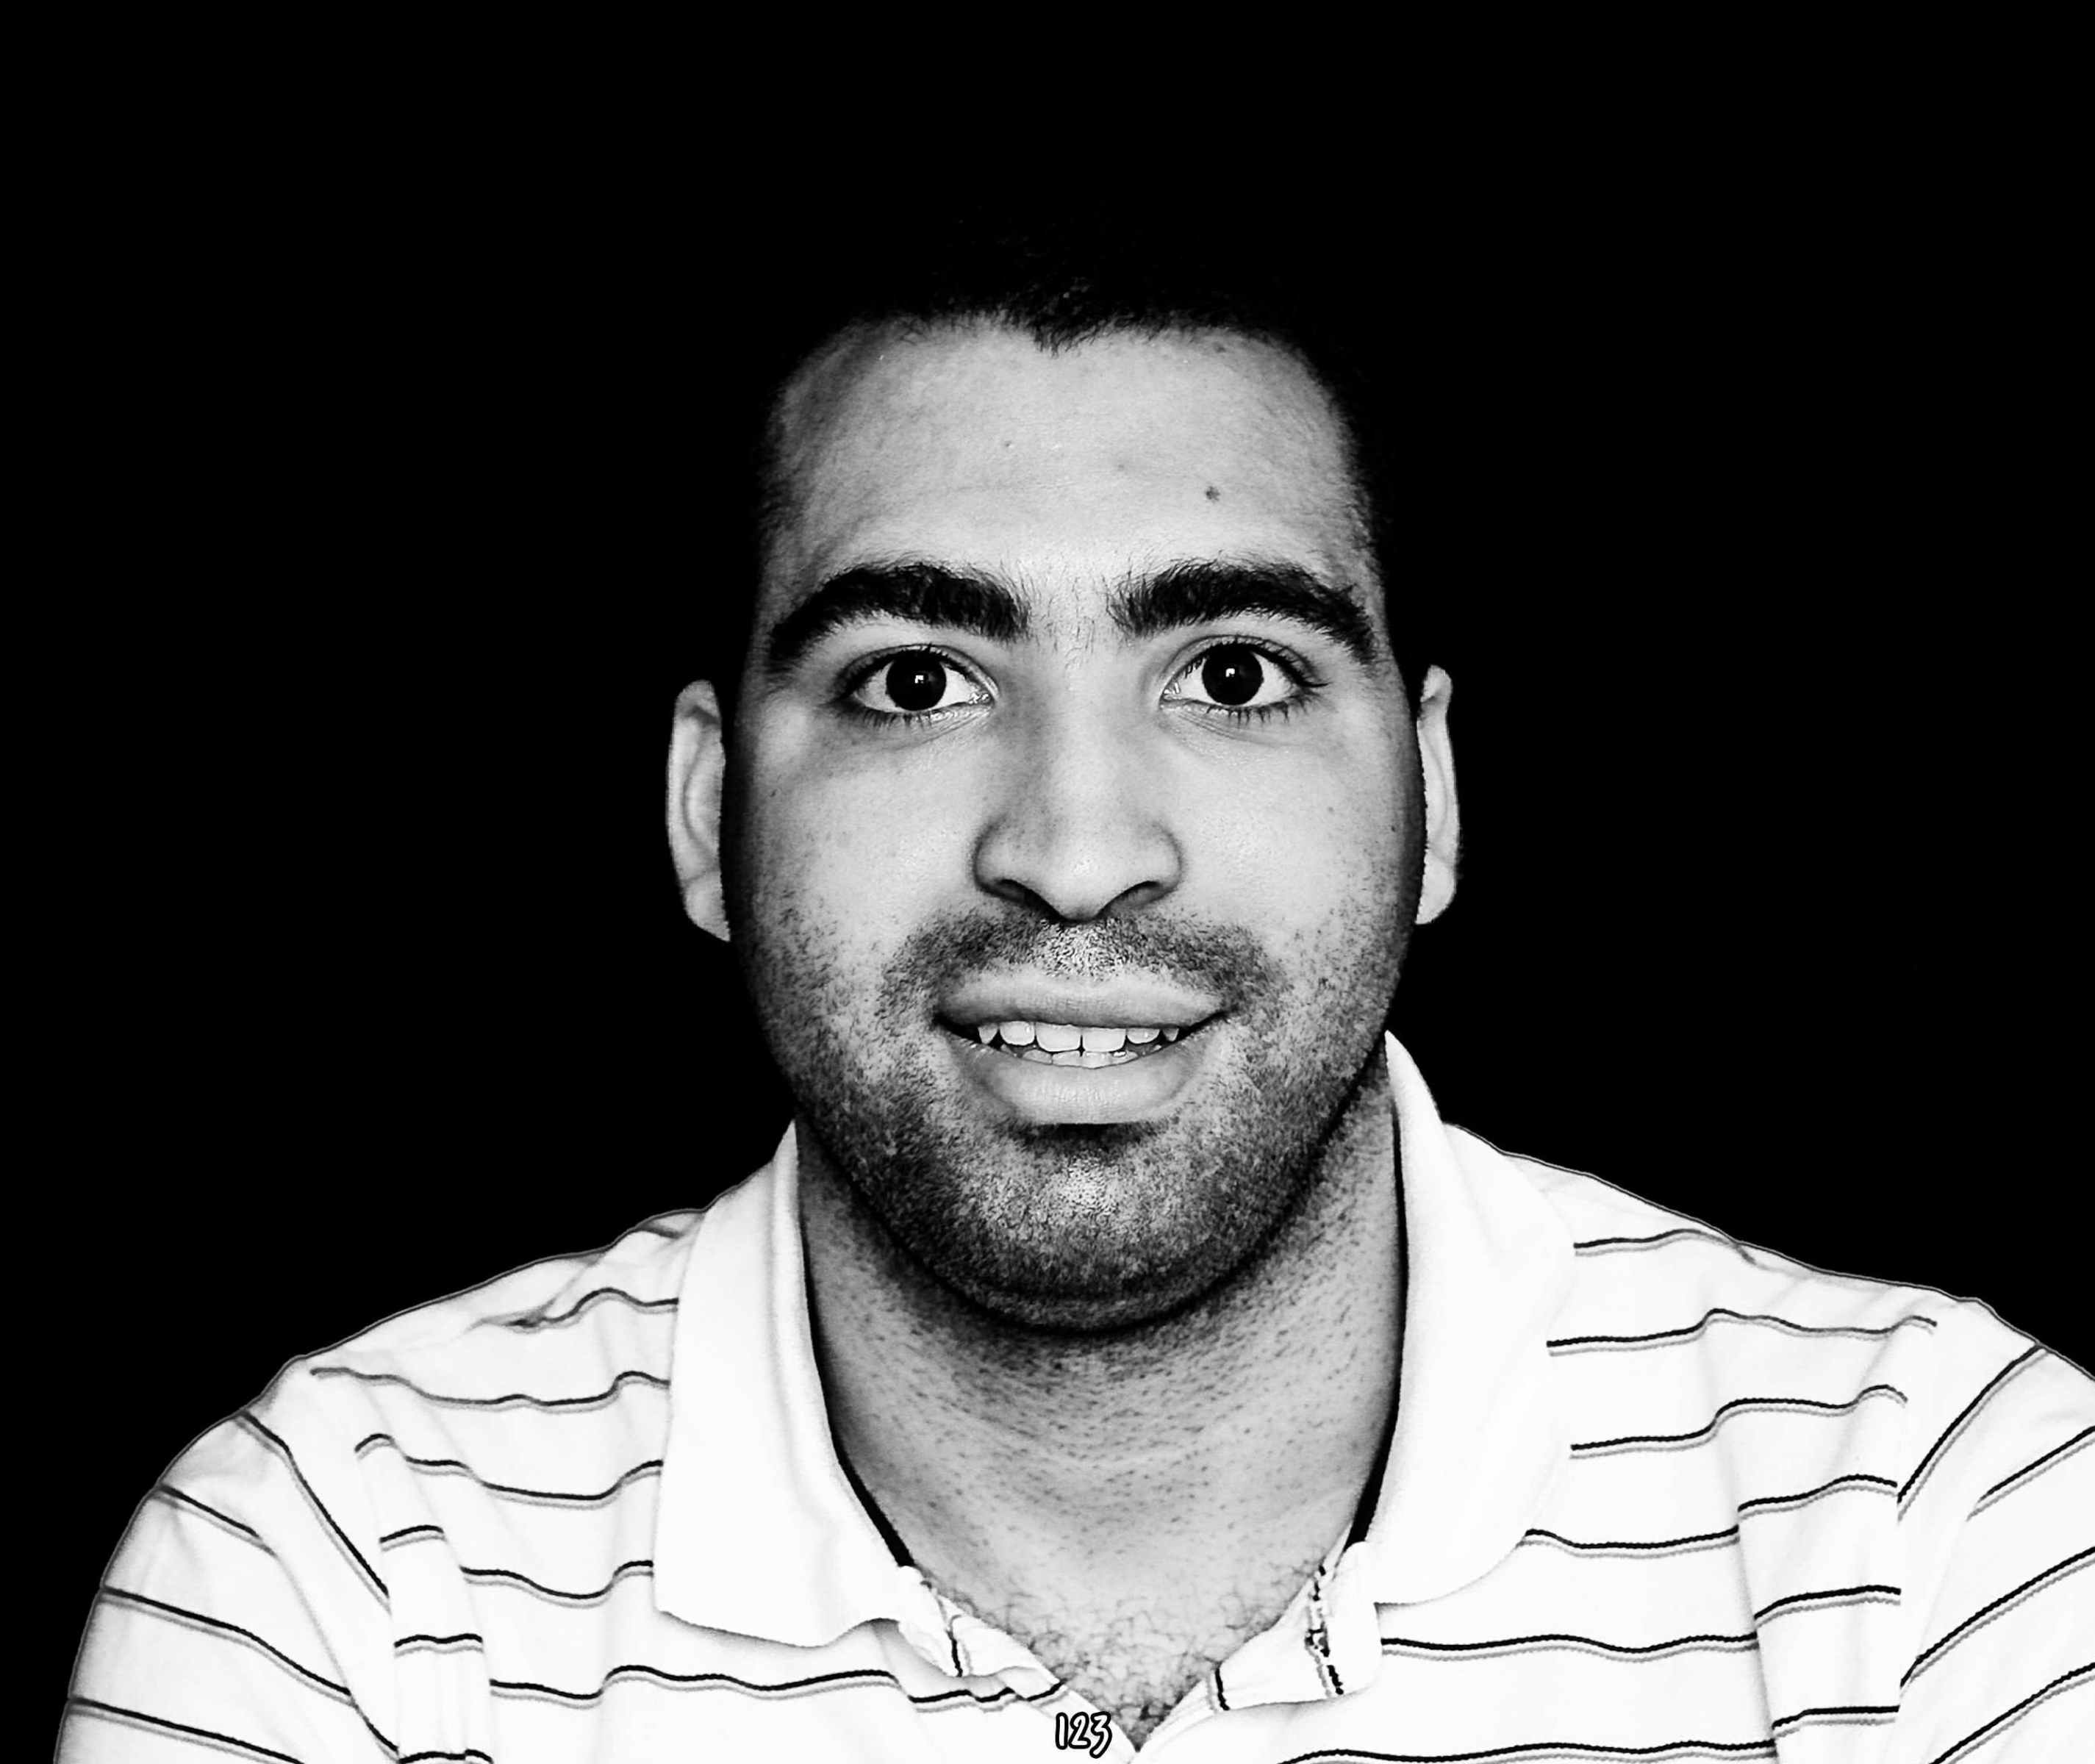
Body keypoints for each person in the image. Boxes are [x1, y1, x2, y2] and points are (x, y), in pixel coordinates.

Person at [62, 216, 2093, 1761]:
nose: (1075, 846)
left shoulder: (1940, 1531)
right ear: (706, 814)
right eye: (914, 681)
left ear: (1435, 802)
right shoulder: (341, 1581)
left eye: (1232, 673)